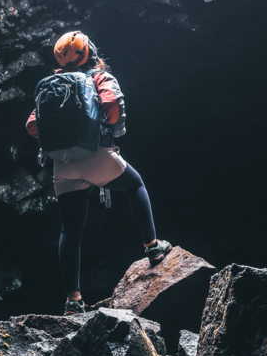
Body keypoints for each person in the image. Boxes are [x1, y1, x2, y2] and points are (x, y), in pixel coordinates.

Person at [27, 30, 171, 314]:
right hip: (95, 154)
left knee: (70, 230)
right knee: (134, 185)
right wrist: (108, 132)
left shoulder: (50, 86)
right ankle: (153, 247)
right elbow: (112, 107)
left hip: (62, 165)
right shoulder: (96, 76)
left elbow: (33, 126)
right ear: (89, 52)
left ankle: (73, 299)